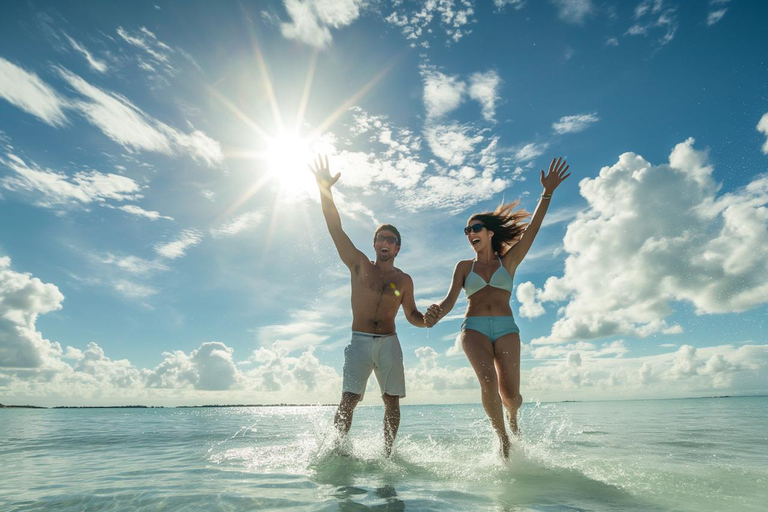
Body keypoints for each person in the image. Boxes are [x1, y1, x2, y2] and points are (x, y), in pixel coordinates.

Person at [428, 157, 570, 458]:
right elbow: (450, 299)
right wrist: (435, 312)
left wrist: (547, 193)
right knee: (488, 384)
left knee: (512, 396)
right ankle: (503, 440)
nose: (470, 233)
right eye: (466, 230)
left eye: (475, 227)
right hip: (474, 329)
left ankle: (513, 417)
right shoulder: (464, 267)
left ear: (490, 232)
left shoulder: (510, 262)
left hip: (507, 329)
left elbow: (532, 229)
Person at [309, 155, 436, 457]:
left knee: (392, 401)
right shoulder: (359, 266)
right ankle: (336, 451)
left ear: (397, 247)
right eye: (380, 237)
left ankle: (387, 455)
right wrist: (324, 189)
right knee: (349, 398)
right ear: (374, 243)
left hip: (390, 343)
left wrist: (428, 321)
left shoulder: (404, 280)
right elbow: (336, 230)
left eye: (390, 239)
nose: (385, 242)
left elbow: (412, 316)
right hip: (361, 341)